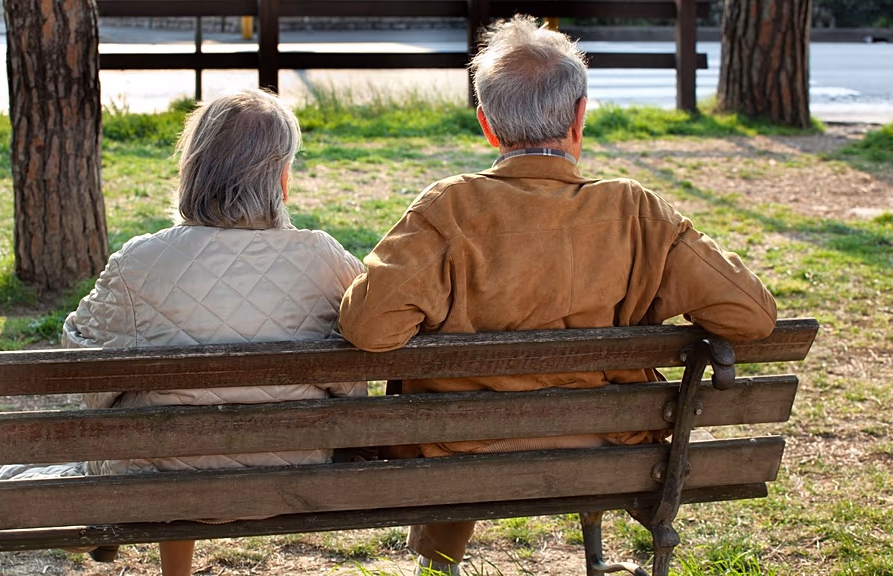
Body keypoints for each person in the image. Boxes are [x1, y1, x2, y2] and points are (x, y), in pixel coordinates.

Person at [338, 16, 777, 576]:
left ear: (488, 126)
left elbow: (368, 327)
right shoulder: (637, 213)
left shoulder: (448, 210)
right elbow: (754, 316)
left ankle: (438, 564)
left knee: (447, 403)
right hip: (612, 447)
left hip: (461, 454)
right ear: (579, 116)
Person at [60, 89, 366, 576]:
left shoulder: (141, 261)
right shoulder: (326, 259)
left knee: (154, 412)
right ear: (282, 180)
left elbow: (82, 366)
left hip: (160, 474)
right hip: (291, 466)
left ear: (193, 172)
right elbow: (353, 379)